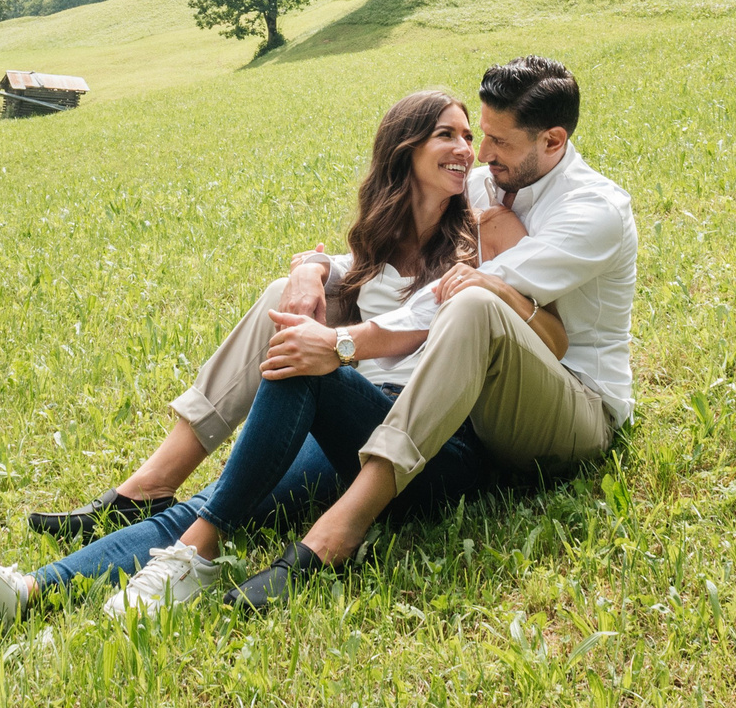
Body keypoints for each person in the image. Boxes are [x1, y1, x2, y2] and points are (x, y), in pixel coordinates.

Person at [0, 87, 561, 624]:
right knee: (223, 494)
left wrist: (334, 344)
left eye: (468, 136)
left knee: (305, 361)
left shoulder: (491, 231)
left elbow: (514, 328)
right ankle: (23, 592)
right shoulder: (382, 238)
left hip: (439, 447)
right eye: (446, 136)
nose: (467, 150)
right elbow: (328, 272)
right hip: (359, 427)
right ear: (405, 150)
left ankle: (193, 558)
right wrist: (308, 270)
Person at [224, 55, 636, 610]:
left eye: (498, 142)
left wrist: (347, 343)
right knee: (295, 307)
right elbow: (406, 255)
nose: (481, 155)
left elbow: (444, 301)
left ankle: (338, 534)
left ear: (554, 141)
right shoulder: (494, 183)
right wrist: (319, 268)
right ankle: (154, 492)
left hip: (573, 405)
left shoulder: (593, 212)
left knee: (472, 302)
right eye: (481, 135)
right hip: (477, 398)